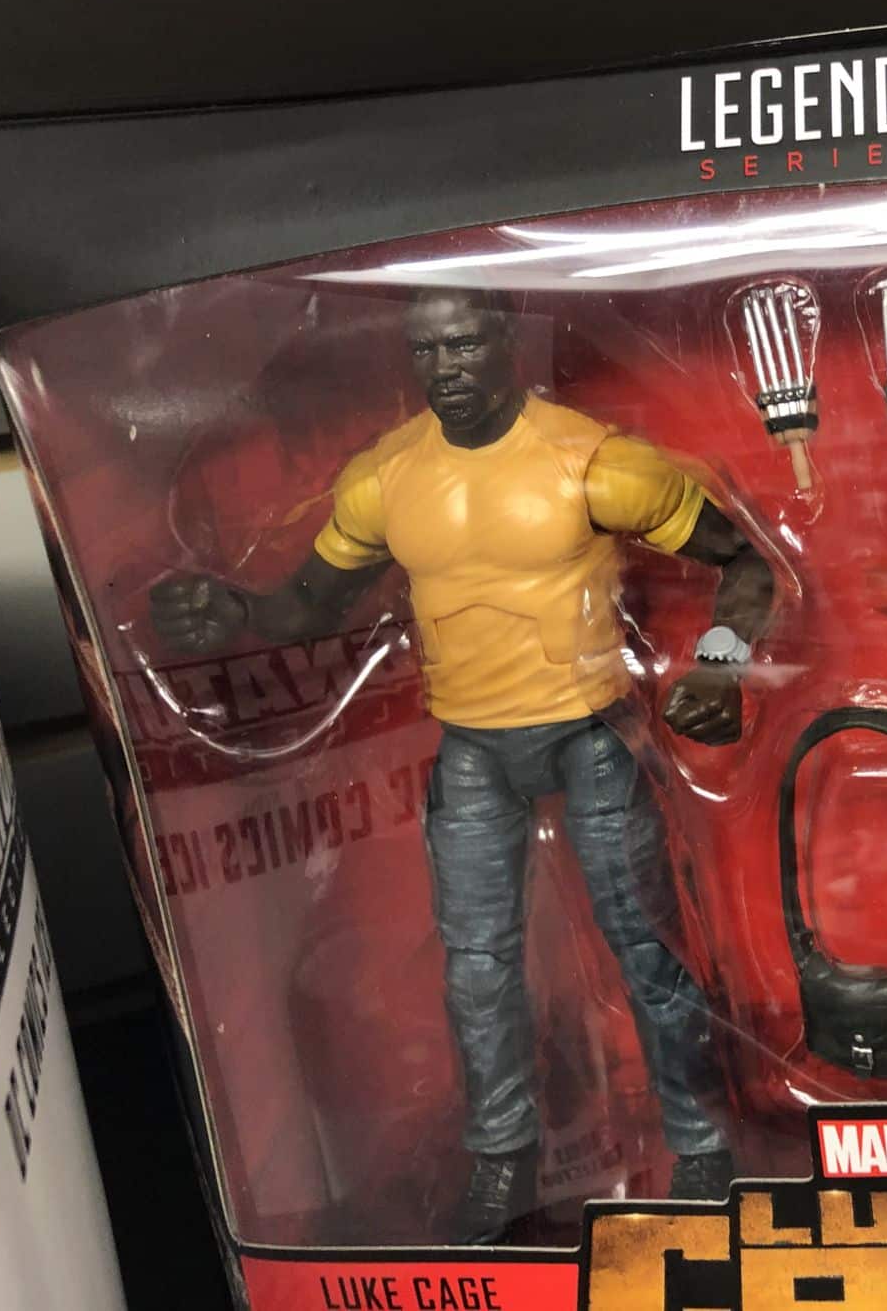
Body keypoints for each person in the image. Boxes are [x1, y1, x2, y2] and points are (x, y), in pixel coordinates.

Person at [151, 287, 772, 1242]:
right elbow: (310, 603)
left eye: (465, 344)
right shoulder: (387, 479)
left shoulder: (593, 464)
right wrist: (237, 613)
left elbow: (747, 565)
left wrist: (721, 669)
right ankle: (502, 1162)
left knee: (646, 949)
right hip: (474, 746)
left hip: (593, 732)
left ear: (507, 341)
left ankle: (701, 1144)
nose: (445, 369)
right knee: (478, 970)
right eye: (427, 350)